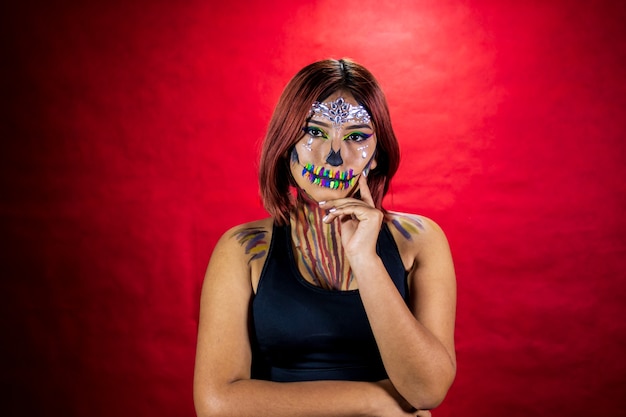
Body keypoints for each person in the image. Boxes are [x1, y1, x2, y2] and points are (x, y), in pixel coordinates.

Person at [193, 58, 456, 417]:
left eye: (356, 137)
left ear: (376, 155)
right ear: (286, 145)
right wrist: (379, 401)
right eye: (314, 132)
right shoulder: (243, 249)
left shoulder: (419, 241)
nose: (333, 156)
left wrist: (366, 259)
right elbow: (217, 405)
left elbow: (427, 389)